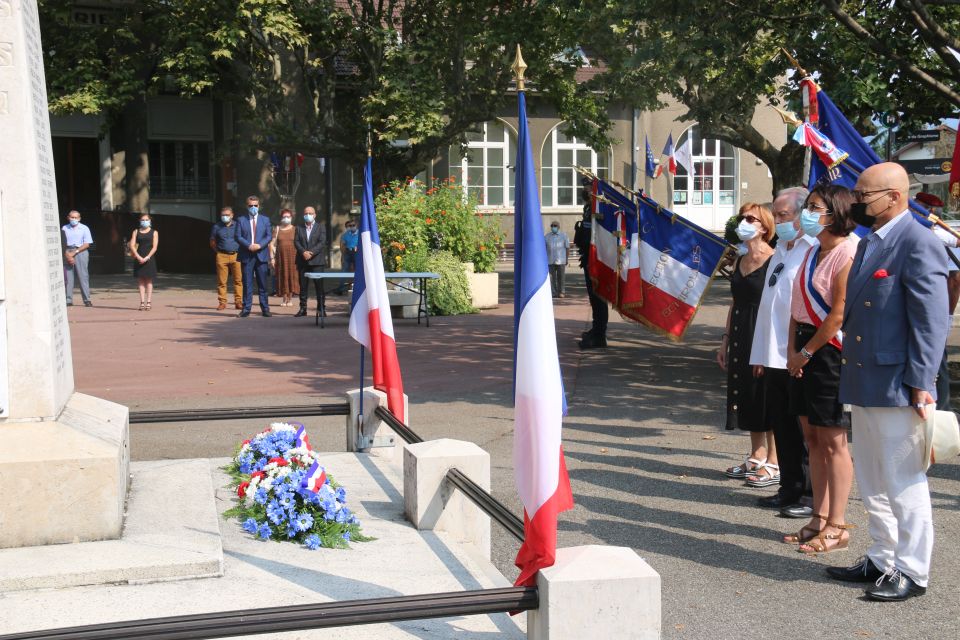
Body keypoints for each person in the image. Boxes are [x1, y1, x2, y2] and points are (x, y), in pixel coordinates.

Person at [827, 163, 949, 602]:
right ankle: (882, 556)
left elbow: (931, 322)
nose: (858, 202)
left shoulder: (917, 242)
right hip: (866, 380)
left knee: (903, 480)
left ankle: (913, 571)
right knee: (874, 479)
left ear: (895, 197)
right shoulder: (872, 243)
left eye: (865, 195)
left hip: (899, 384)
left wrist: (921, 382)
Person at [781, 185, 857, 555]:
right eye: (807, 207)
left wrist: (807, 353)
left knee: (833, 441)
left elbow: (838, 313)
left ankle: (838, 524)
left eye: (814, 208)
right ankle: (819, 515)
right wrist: (792, 350)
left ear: (835, 212)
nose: (806, 214)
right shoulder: (812, 252)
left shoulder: (848, 251)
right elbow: (797, 308)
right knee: (811, 439)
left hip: (828, 353)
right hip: (804, 350)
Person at [749, 187, 816, 517]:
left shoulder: (812, 249)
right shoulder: (781, 249)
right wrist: (760, 353)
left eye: (783, 215)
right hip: (773, 353)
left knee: (804, 429)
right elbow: (769, 305)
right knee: (782, 422)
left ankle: (808, 492)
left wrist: (799, 352)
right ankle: (788, 487)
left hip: (797, 353)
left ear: (803, 215)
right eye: (775, 214)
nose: (777, 221)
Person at [718, 203, 778, 485]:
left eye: (750, 219)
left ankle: (775, 462)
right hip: (742, 329)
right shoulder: (741, 259)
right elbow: (735, 302)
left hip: (763, 331)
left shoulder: (775, 259)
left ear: (764, 227)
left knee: (768, 394)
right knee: (747, 393)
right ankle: (757, 454)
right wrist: (725, 340)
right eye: (742, 218)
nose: (744, 222)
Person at [575, 179, 608, 348]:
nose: (585, 191)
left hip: (597, 260)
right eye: (584, 188)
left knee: (598, 298)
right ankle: (596, 330)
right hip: (587, 257)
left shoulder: (600, 208)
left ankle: (600, 335)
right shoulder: (588, 208)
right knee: (593, 298)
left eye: (587, 188)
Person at [235, 195, 273, 318]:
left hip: (261, 255)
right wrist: (248, 245)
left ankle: (265, 309)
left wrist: (259, 245)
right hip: (247, 255)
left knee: (263, 284)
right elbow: (238, 236)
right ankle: (246, 309)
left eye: (255, 205)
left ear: (259, 206)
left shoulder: (265, 220)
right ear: (247, 206)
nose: (253, 208)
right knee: (247, 284)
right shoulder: (241, 220)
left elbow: (268, 236)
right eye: (250, 206)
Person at [294, 206, 328, 317]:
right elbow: (296, 242)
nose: (308, 215)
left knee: (319, 287)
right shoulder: (299, 228)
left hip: (317, 261)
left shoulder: (320, 227)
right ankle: (303, 309)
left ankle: (321, 309)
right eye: (306, 213)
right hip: (302, 261)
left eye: (310, 213)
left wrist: (311, 253)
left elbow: (322, 242)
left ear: (315, 215)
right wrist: (304, 252)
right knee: (303, 287)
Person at [209, 206, 243, 310]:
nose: (225, 217)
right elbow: (212, 241)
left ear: (232, 215)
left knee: (238, 280)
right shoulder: (217, 227)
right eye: (223, 215)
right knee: (222, 281)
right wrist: (218, 252)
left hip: (236, 255)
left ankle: (238, 302)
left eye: (227, 215)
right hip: (221, 256)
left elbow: (242, 239)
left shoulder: (238, 225)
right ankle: (222, 302)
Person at [62, 210, 93, 307]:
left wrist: (75, 252)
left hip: (81, 251)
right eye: (72, 217)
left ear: (79, 219)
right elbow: (62, 243)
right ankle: (68, 299)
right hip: (67, 251)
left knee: (83, 276)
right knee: (68, 277)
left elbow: (87, 243)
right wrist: (67, 254)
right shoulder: (64, 228)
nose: (74, 219)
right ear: (68, 218)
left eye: (76, 217)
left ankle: (87, 299)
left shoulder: (84, 228)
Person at [270, 208, 300, 307]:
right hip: (280, 257)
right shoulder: (277, 229)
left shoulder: (295, 229)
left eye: (288, 216)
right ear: (281, 218)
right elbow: (272, 244)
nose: (286, 218)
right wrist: (272, 258)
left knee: (291, 276)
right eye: (284, 217)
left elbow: (299, 244)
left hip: (292, 257)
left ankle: (290, 298)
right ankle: (284, 298)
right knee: (282, 276)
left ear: (291, 218)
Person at [129, 213, 159, 311]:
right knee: (141, 281)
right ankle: (142, 302)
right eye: (142, 220)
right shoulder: (136, 231)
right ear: (139, 221)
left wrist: (147, 257)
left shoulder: (154, 232)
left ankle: (149, 302)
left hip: (149, 258)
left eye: (146, 220)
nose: (144, 221)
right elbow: (132, 245)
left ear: (150, 221)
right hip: (138, 257)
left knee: (149, 281)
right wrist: (138, 257)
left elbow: (155, 247)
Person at [333, 219, 359, 295]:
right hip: (348, 252)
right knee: (344, 271)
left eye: (353, 225)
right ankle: (340, 289)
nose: (351, 227)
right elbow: (342, 245)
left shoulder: (360, 234)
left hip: (357, 253)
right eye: (350, 226)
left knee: (357, 271)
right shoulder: (346, 234)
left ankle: (357, 288)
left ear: (356, 225)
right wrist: (343, 256)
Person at [545, 220, 569, 298]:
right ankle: (553, 292)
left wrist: (566, 259)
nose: (553, 227)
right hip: (550, 260)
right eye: (552, 226)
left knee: (561, 277)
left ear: (558, 227)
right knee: (551, 278)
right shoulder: (547, 236)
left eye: (555, 226)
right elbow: (544, 248)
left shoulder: (564, 236)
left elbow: (567, 248)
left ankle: (561, 292)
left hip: (561, 260)